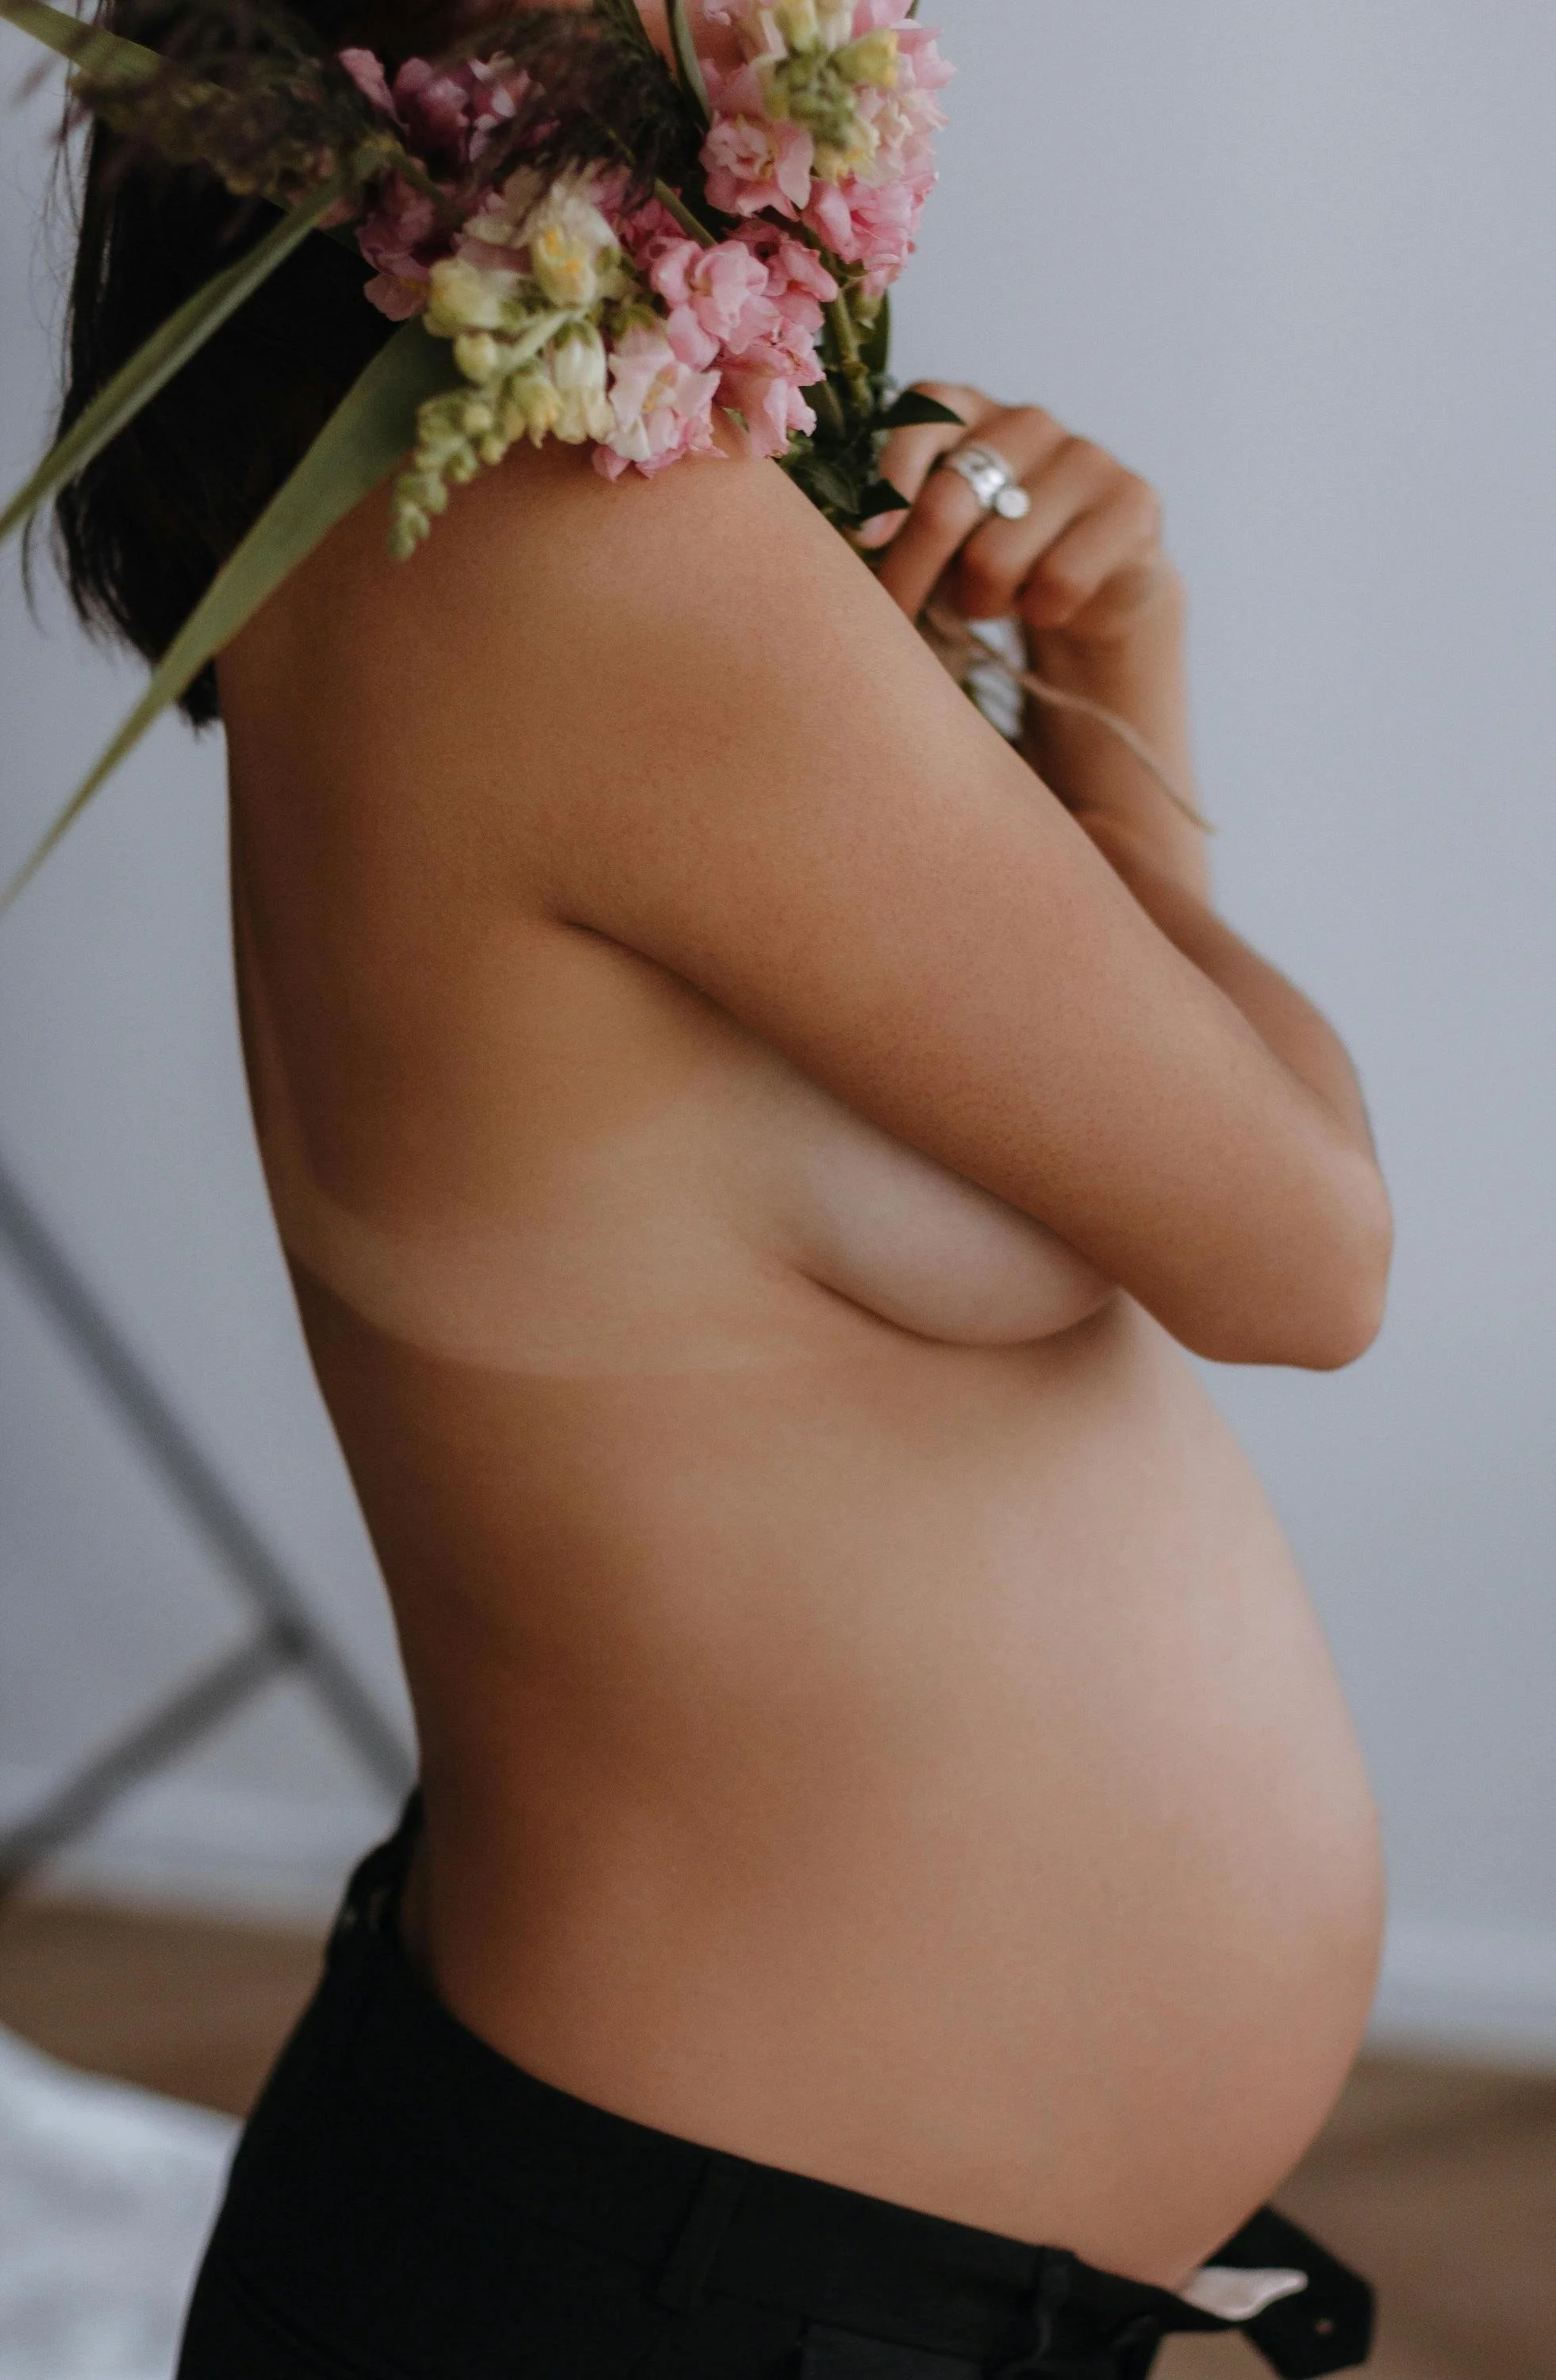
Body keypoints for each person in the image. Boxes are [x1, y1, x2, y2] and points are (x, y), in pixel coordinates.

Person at [48, 1, 1393, 2371]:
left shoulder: (449, 541)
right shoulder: (595, 559)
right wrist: (1122, 693)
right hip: (679, 2282)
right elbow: (1304, 1243)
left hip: (681, 2243)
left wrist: (1077, 683)